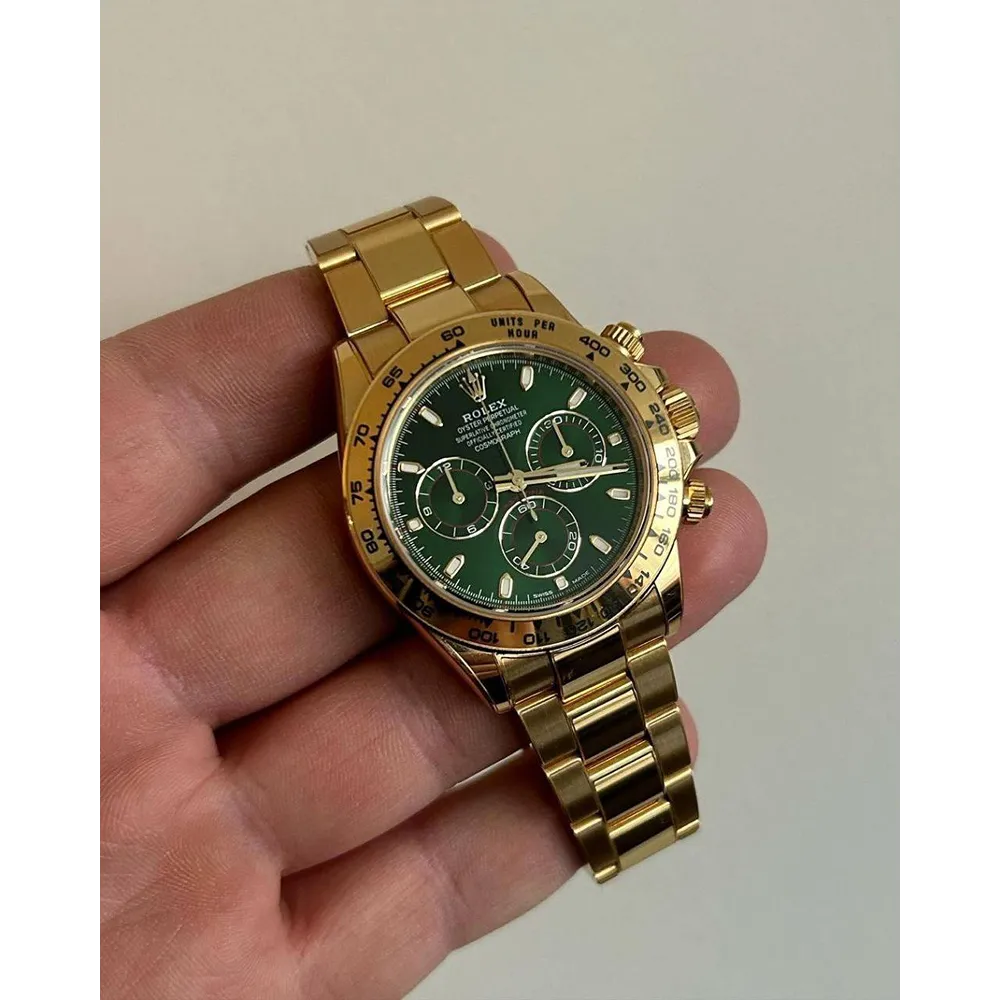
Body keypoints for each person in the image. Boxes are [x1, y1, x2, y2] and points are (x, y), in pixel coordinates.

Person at [99, 233, 767, 999]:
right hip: (498, 612)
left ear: (662, 430)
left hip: (594, 585)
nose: (516, 483)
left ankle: (635, 815)